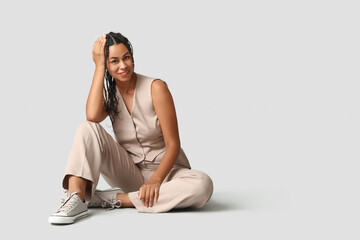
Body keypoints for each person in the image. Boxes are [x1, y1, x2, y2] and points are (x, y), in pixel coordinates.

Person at [48, 32, 214, 224]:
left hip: (168, 175)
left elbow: (173, 144)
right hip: (130, 173)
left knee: (203, 185)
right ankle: (76, 198)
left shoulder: (156, 88)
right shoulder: (111, 96)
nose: (123, 66)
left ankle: (110, 199)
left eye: (126, 57)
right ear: (107, 66)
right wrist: (98, 66)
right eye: (114, 61)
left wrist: (155, 181)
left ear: (132, 57)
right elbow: (92, 116)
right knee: (87, 128)